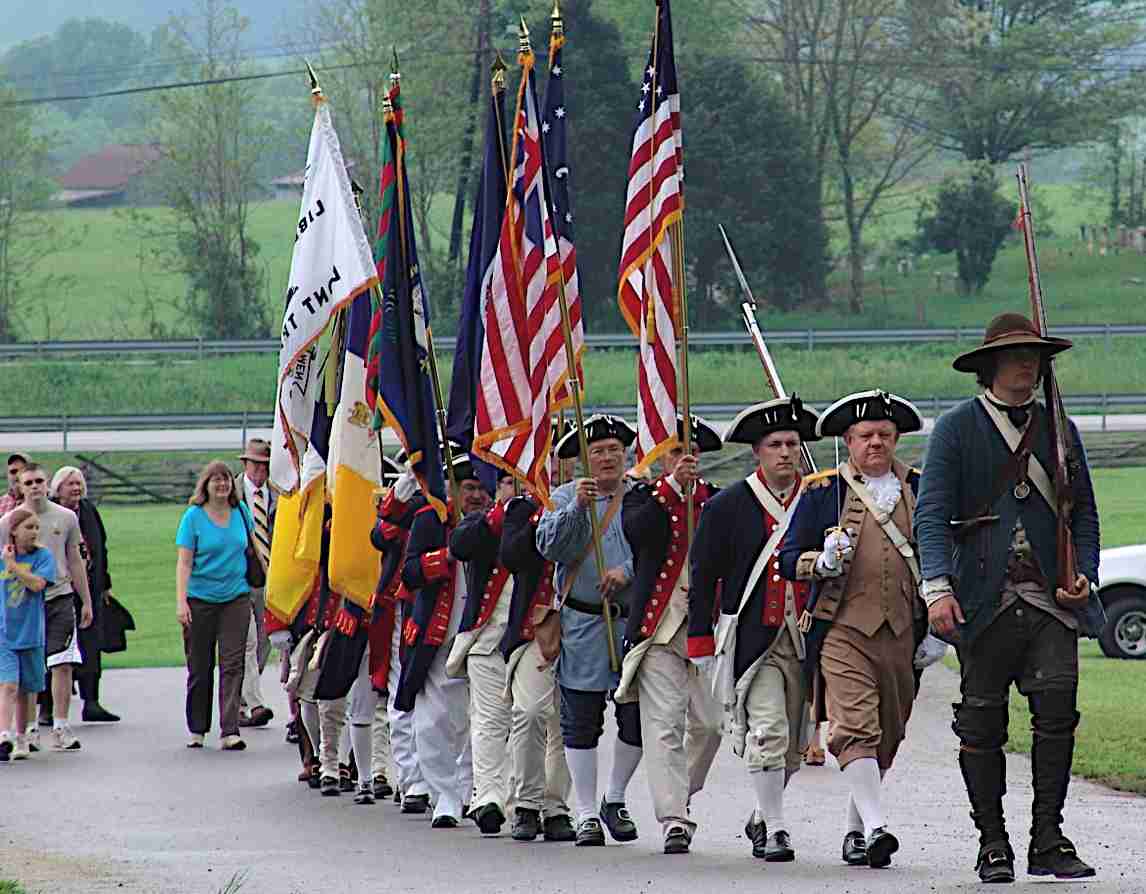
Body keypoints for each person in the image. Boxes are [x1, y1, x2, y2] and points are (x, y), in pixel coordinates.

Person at [915, 313, 1102, 883]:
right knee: (981, 723)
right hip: (982, 597)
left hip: (1050, 599)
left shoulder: (1059, 429)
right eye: (1018, 354)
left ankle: (1048, 837)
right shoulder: (955, 429)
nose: (1030, 363)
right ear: (992, 365)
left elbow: (1086, 515)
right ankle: (992, 842)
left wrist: (1085, 576)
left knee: (1055, 716)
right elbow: (931, 515)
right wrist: (938, 589)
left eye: (1036, 355)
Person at [780, 390, 926, 870]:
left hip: (902, 629)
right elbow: (786, 560)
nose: (876, 443)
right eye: (866, 435)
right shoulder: (824, 492)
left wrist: (939, 630)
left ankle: (857, 830)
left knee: (888, 732)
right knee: (855, 727)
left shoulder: (919, 488)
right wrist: (819, 561)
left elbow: (941, 557)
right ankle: (880, 825)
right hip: (842, 627)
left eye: (885, 434)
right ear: (848, 440)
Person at [689, 397, 820, 862]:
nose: (786, 452)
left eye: (792, 443)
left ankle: (763, 815)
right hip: (754, 640)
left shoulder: (821, 499)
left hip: (807, 638)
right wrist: (701, 644)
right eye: (775, 444)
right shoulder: (727, 506)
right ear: (757, 452)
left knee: (795, 744)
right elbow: (702, 577)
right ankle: (780, 829)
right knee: (767, 730)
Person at [536, 415, 644, 848]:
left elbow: (663, 550)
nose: (606, 458)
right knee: (580, 719)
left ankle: (614, 797)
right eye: (597, 451)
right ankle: (584, 811)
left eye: (613, 450)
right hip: (582, 624)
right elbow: (550, 548)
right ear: (584, 458)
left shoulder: (641, 498)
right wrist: (578, 509)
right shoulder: (565, 497)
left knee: (635, 717)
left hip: (632, 623)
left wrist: (628, 572)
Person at [619, 414, 724, 855]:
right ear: (663, 460)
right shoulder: (644, 499)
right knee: (662, 725)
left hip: (706, 628)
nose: (687, 460)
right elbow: (638, 535)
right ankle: (674, 819)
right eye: (678, 452)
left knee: (712, 724)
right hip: (659, 628)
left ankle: (679, 794)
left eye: (692, 453)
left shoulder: (717, 501)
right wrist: (671, 491)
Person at [396, 453, 488, 828]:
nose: (477, 496)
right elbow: (410, 571)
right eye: (469, 488)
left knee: (479, 720)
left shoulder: (495, 523)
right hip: (438, 633)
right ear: (452, 487)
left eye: (482, 488)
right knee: (432, 721)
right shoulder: (430, 520)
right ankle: (445, 795)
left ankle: (469, 790)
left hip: (482, 636)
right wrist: (448, 555)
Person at [499, 488, 575, 842]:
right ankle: (526, 804)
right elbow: (511, 556)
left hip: (582, 626)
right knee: (529, 713)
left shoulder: (602, 503)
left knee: (566, 722)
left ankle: (555, 805)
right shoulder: (523, 510)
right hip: (534, 628)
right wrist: (543, 517)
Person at [0, 462, 93, 751]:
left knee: (63, 662)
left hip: (59, 595)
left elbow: (75, 559)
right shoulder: (7, 522)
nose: (35, 487)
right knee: (29, 669)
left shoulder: (65, 518)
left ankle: (61, 726)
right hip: (22, 603)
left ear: (48, 483)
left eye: (39, 481)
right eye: (28, 483)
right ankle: (26, 730)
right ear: (20, 487)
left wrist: (86, 599)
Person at [447, 476, 518, 835]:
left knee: (530, 721)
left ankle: (526, 799)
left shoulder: (551, 514)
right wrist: (503, 511)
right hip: (486, 638)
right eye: (506, 480)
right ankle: (487, 795)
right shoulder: (484, 520)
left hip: (531, 638)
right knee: (488, 720)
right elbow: (460, 545)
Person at [176, 460, 256, 751]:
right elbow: (184, 562)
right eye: (216, 480)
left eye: (226, 480)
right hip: (200, 599)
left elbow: (254, 550)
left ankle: (230, 729)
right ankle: (197, 727)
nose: (222, 485)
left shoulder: (242, 513)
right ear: (205, 485)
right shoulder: (193, 517)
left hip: (235, 597)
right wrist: (181, 601)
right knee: (200, 665)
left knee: (233, 664)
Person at [49, 466, 120, 722]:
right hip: (59, 590)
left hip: (90, 588)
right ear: (58, 489)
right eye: (70, 484)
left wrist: (105, 584)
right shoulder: (51, 513)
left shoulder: (89, 511)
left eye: (79, 483)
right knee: (56, 647)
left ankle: (92, 702)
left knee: (91, 645)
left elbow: (101, 546)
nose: (76, 488)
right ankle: (48, 707)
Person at [0, 508, 55, 761]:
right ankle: (4, 736)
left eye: (36, 528)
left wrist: (13, 566)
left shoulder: (43, 557)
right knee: (9, 685)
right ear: (14, 531)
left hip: (31, 632)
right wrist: (7, 562)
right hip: (4, 634)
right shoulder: (2, 557)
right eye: (28, 527)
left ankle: (22, 737)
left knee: (26, 689)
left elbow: (37, 585)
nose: (34, 532)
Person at [235, 438, 275, 729]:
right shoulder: (230, 494)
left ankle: (243, 696)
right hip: (238, 579)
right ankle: (249, 702)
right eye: (255, 464)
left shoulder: (279, 494)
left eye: (265, 465)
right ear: (244, 464)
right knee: (244, 643)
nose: (260, 471)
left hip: (270, 580)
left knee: (265, 641)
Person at [0, 453, 29, 517]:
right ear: (8, 475)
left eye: (23, 470)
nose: (17, 475)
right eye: (13, 471)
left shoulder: (39, 500)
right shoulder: (1, 502)